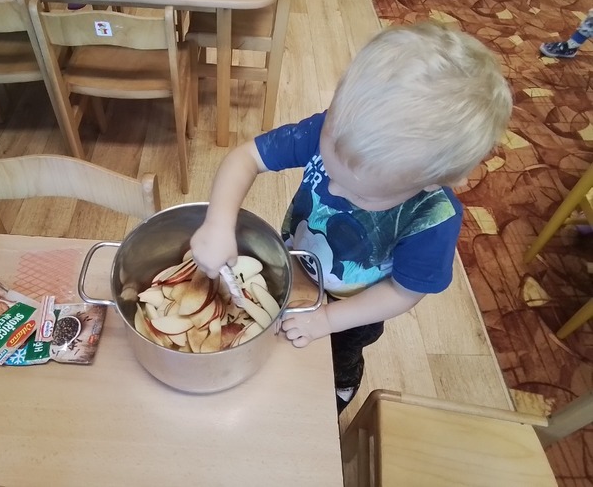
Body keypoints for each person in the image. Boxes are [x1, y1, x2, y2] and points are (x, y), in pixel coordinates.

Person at [190, 22, 512, 412]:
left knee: (339, 357)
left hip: (353, 308)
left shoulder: (432, 219)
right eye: (328, 165)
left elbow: (403, 292)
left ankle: (342, 385)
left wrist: (327, 320)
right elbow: (246, 157)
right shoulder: (338, 130)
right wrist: (218, 222)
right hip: (297, 264)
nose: (335, 190)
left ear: (431, 183)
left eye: (360, 194)